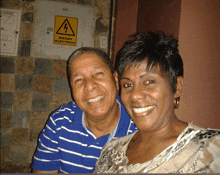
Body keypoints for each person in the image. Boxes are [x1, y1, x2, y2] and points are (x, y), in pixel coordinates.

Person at [94, 32, 220, 173]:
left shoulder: (209, 150)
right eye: (127, 85)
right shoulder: (110, 153)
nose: (135, 95)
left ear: (176, 87)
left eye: (149, 82)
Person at [31, 47, 137, 173]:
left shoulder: (138, 124)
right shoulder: (59, 123)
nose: (89, 86)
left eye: (98, 74)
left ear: (115, 79)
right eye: (79, 80)